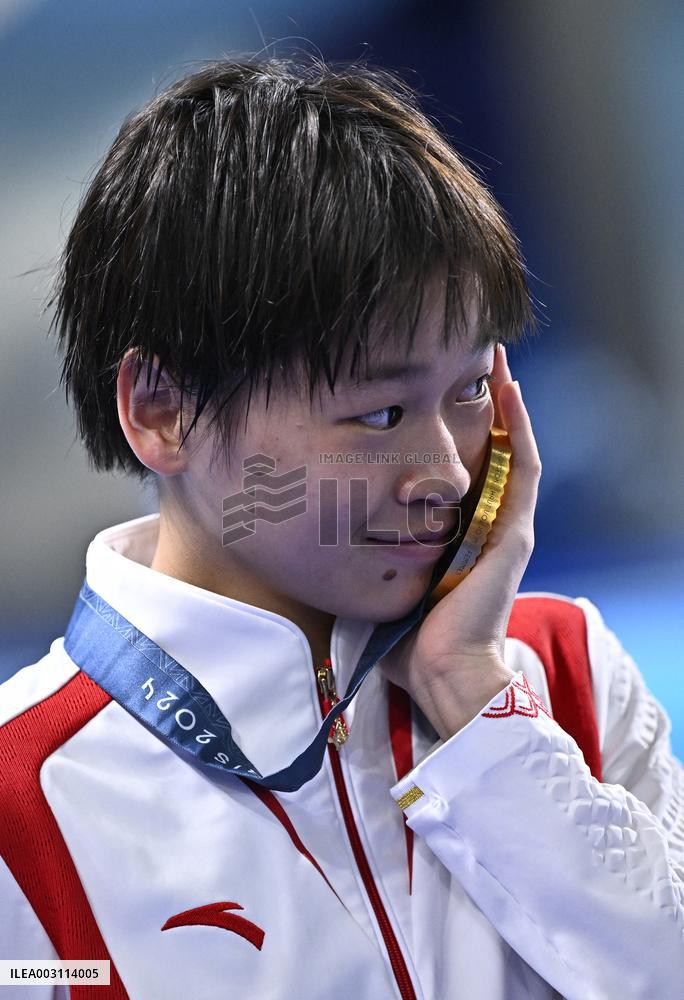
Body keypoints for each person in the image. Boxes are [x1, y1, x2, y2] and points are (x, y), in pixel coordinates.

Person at [1, 56, 682, 1000]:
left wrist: (476, 701)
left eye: (469, 390)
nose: (446, 471)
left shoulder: (562, 675)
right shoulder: (19, 808)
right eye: (378, 414)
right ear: (161, 410)